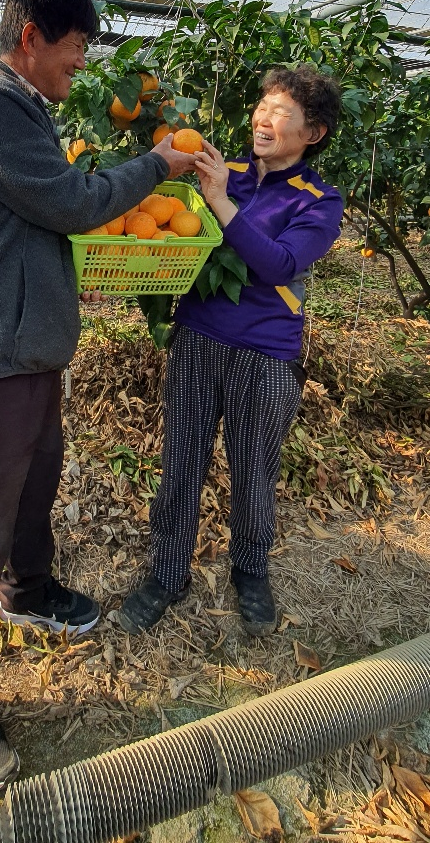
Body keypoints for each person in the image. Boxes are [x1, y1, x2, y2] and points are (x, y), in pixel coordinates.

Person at [0, 0, 197, 791]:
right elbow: (71, 203)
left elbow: (44, 220)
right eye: (76, 49)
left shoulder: (26, 109)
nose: (83, 66)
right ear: (32, 37)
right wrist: (155, 166)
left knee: (32, 489)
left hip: (30, 351)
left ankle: (30, 591)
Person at [118, 64, 343, 640]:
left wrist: (220, 201)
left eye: (280, 113)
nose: (263, 120)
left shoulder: (319, 200)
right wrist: (120, 268)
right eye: (262, 107)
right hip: (198, 339)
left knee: (253, 471)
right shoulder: (222, 171)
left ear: (311, 134)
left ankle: (250, 570)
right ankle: (167, 574)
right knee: (182, 463)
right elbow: (169, 241)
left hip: (266, 354)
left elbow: (280, 264)